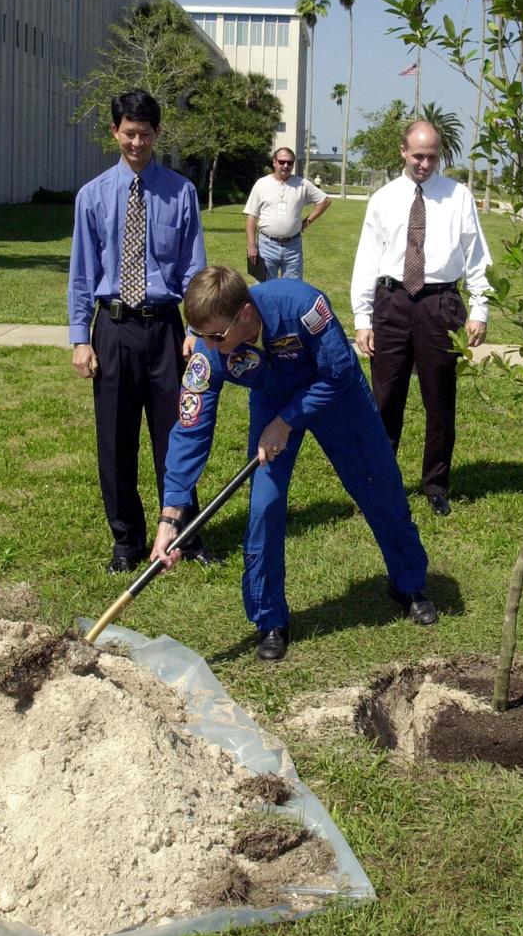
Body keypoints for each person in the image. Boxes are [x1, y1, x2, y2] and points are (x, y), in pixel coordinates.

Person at [150, 266, 437, 662]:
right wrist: (171, 516)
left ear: (246, 314)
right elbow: (190, 427)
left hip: (335, 396)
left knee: (378, 485)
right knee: (264, 507)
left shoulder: (302, 306)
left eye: (216, 336)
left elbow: (338, 371)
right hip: (271, 403)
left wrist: (288, 421)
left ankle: (408, 583)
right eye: (201, 336)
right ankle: (270, 618)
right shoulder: (208, 348)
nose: (210, 346)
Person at [68, 89, 215, 573]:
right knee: (115, 440)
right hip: (113, 329)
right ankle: (126, 540)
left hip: (167, 331)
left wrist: (195, 326)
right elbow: (83, 274)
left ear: (157, 135)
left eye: (145, 134)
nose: (137, 142)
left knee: (177, 434)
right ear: (115, 132)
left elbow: (195, 268)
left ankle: (184, 534)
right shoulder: (92, 196)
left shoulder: (181, 193)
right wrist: (79, 337)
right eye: (128, 133)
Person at [351, 119, 492, 517]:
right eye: (418, 155)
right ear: (403, 151)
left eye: (432, 156)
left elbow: (476, 255)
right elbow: (367, 259)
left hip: (439, 305)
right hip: (392, 302)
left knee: (440, 401)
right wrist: (363, 317)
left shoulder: (458, 196)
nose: (425, 164)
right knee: (385, 400)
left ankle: (436, 484)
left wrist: (479, 309)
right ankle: (378, 484)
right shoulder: (383, 199)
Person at [244, 148, 331, 280]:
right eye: (282, 162)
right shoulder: (262, 184)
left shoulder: (302, 184)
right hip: (267, 245)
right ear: (274, 162)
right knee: (264, 288)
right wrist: (251, 245)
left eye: (290, 163)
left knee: (293, 290)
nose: (286, 165)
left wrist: (307, 221)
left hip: (293, 247)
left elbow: (325, 201)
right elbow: (251, 216)